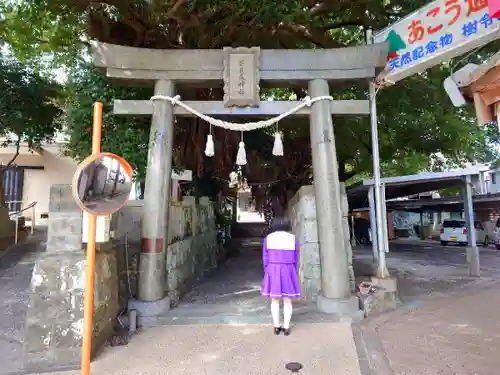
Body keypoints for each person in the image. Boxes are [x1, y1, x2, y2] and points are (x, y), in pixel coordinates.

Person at [261, 217, 301, 336]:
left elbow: (265, 257)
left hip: (273, 269)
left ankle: (276, 326)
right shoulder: (293, 238)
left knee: (274, 300)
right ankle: (287, 327)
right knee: (288, 300)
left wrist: (267, 270)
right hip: (288, 269)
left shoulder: (268, 238)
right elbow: (296, 257)